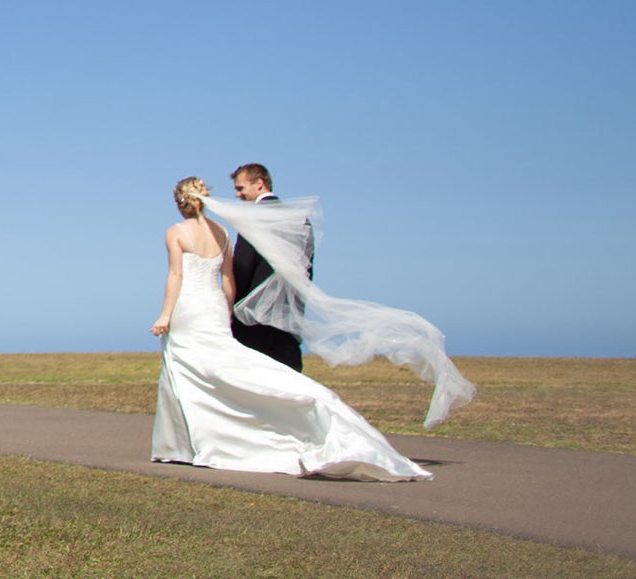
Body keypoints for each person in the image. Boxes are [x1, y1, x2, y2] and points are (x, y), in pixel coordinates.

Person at [149, 176, 431, 480]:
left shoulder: (175, 232)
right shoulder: (223, 234)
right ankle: (195, 441)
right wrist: (227, 312)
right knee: (222, 366)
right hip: (215, 307)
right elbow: (228, 280)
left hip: (189, 307)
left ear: (180, 203)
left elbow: (176, 275)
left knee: (186, 368)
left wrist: (165, 314)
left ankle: (181, 445)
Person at [228, 162, 308, 372]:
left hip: (253, 319)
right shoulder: (300, 220)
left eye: (240, 188)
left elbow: (242, 268)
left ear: (260, 184)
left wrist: (232, 308)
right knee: (289, 381)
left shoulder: (253, 218)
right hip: (287, 317)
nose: (237, 195)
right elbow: (306, 269)